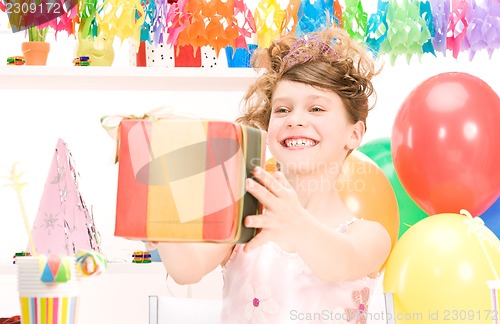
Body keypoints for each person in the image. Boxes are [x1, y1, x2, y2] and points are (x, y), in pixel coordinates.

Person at [150, 26, 392, 323]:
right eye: (282, 110)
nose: (295, 120)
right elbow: (186, 271)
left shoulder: (369, 235)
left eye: (316, 108)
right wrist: (162, 218)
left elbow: (340, 263)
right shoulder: (244, 218)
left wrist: (295, 221)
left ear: (353, 134)